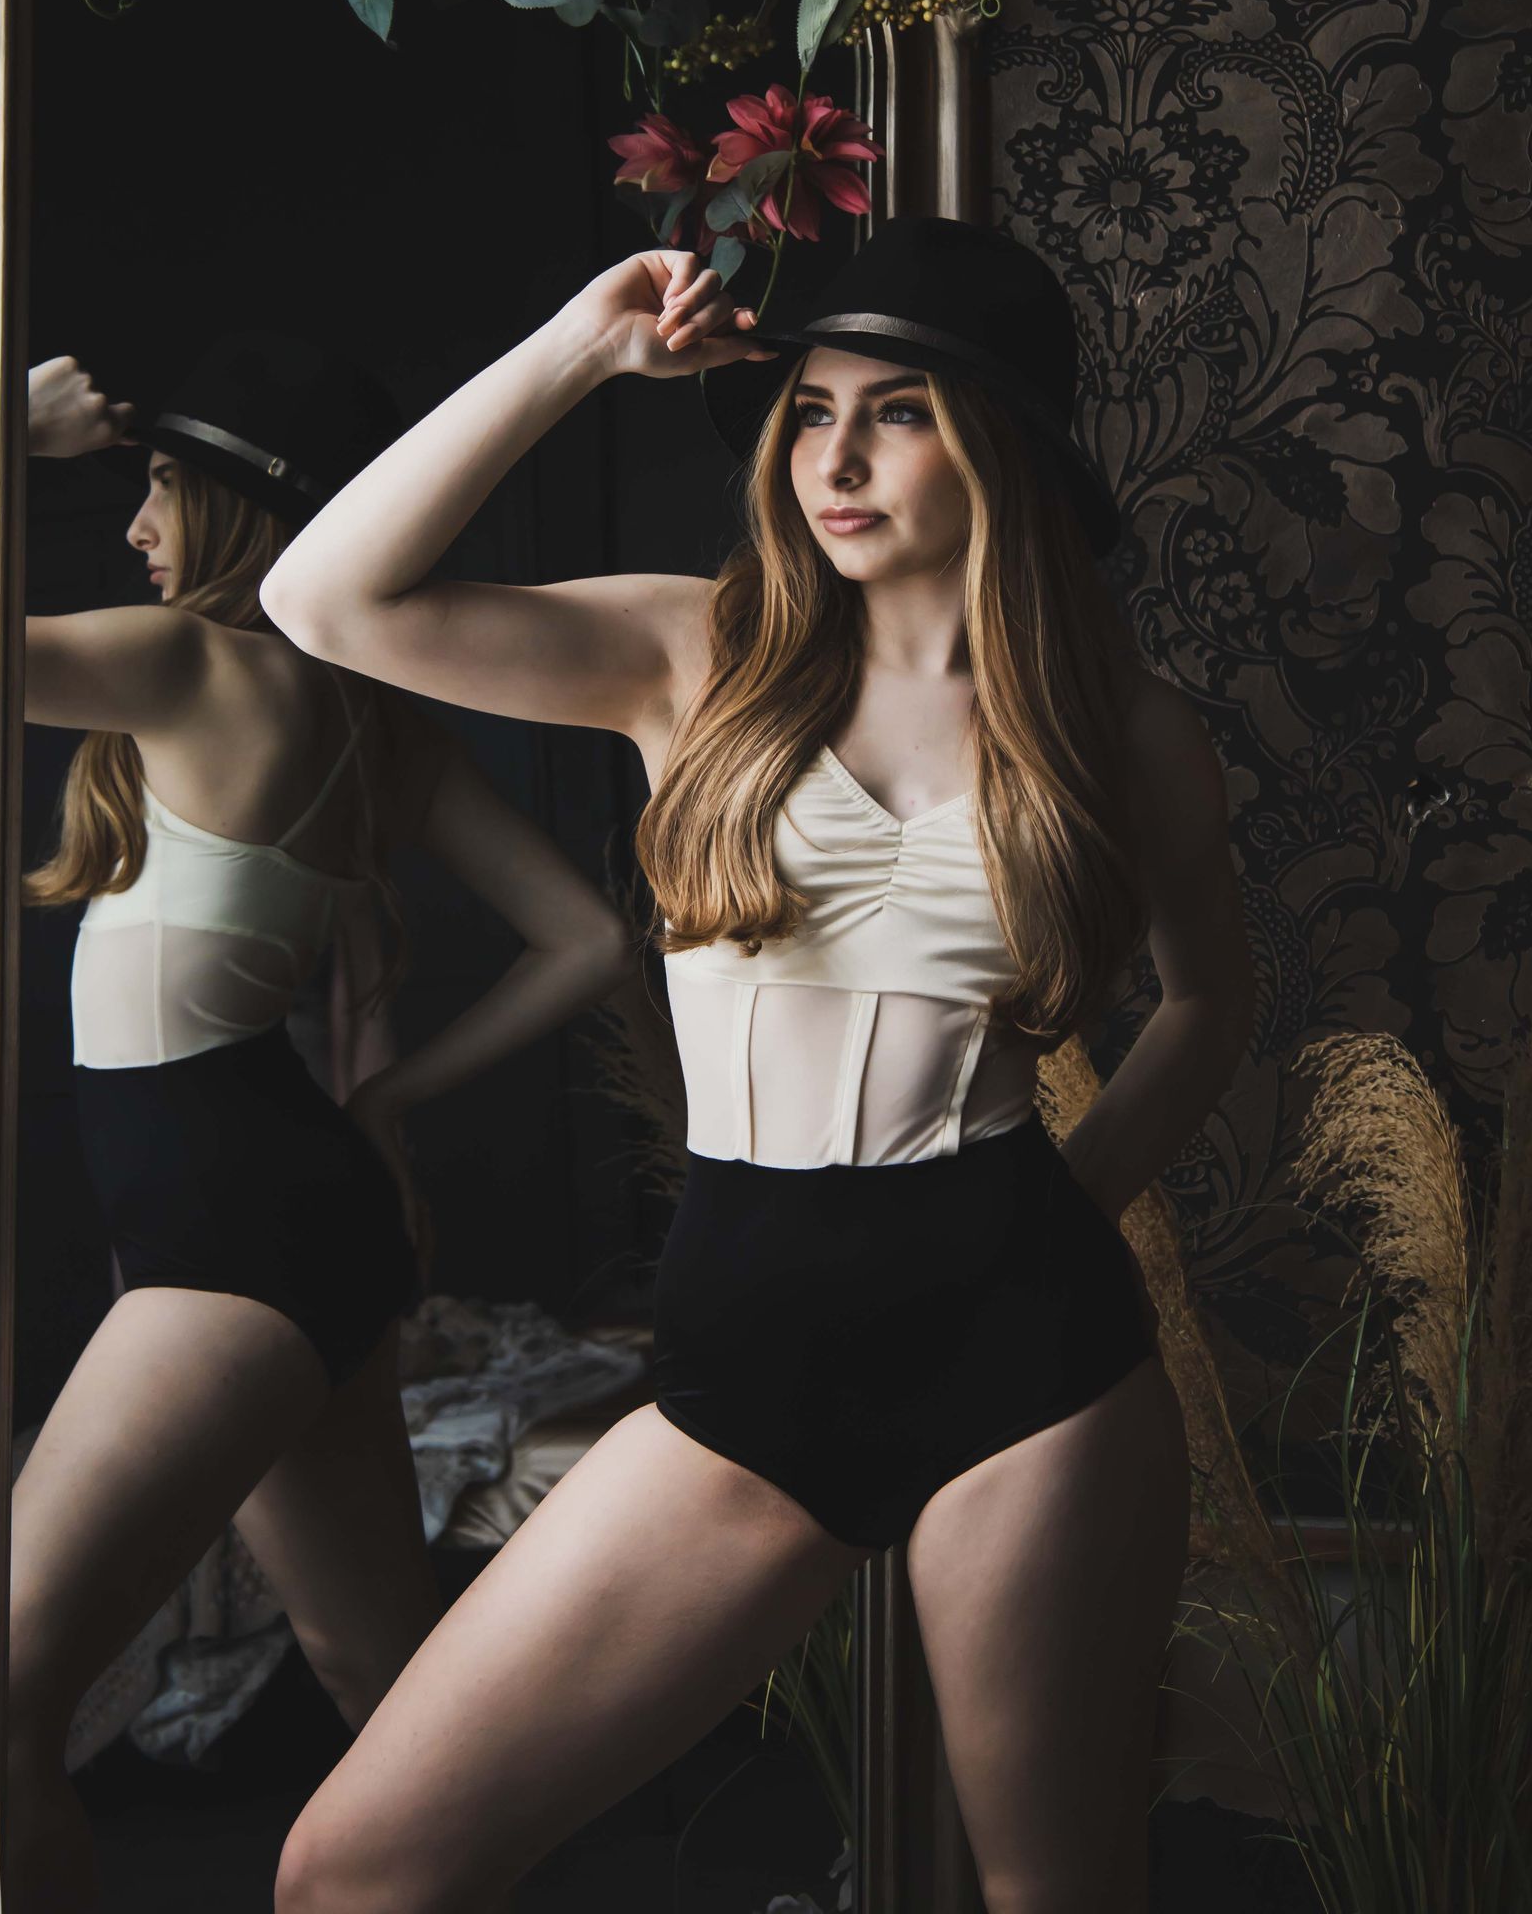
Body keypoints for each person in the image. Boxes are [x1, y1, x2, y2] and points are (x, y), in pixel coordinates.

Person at [259, 220, 1253, 1914]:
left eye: (898, 412)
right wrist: (583, 350)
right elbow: (322, 599)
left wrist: (1059, 1212)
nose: (835, 460)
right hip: (749, 1359)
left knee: (1055, 1894)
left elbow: (1209, 1006)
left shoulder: (1121, 723)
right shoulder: (692, 651)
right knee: (353, 1875)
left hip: (1035, 1361)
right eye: (809, 412)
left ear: (1001, 444)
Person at [8, 330, 636, 1914]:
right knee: (386, 1683)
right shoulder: (381, 724)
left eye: (162, 487)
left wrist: (9, 436)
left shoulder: (186, 665)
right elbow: (587, 938)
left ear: (241, 508)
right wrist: (380, 1096)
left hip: (227, 1243)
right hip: (303, 1214)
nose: (136, 524)